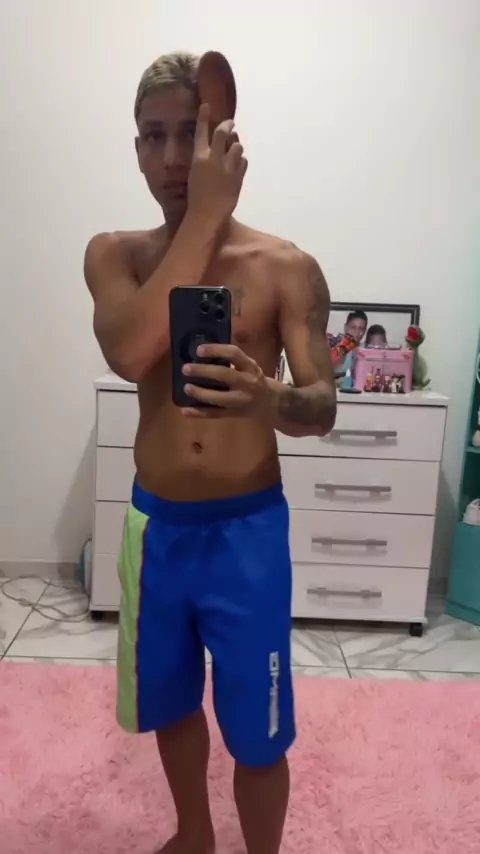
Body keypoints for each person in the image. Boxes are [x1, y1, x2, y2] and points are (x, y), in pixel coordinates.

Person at [84, 52, 336, 854]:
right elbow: (131, 351)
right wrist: (204, 218)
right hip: (157, 530)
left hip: (245, 535)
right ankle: (194, 834)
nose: (170, 157)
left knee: (258, 731)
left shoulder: (285, 267)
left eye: (187, 134)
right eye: (152, 135)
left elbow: (323, 408)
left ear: (221, 139)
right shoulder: (115, 255)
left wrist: (270, 398)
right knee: (169, 701)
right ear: (135, 147)